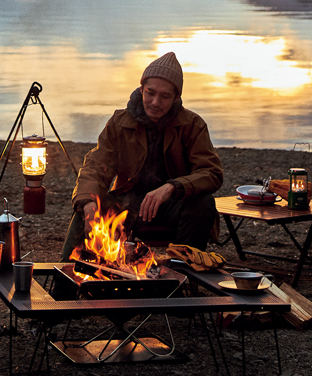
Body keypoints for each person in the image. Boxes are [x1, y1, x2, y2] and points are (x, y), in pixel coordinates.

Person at [60, 52, 223, 262]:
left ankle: (185, 274)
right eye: (150, 93)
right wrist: (88, 204)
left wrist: (171, 187)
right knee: (87, 206)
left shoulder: (193, 125)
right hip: (128, 204)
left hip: (172, 205)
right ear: (141, 89)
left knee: (203, 204)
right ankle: (63, 284)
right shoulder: (119, 122)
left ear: (176, 98)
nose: (155, 102)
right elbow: (95, 166)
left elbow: (212, 172)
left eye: (165, 96)